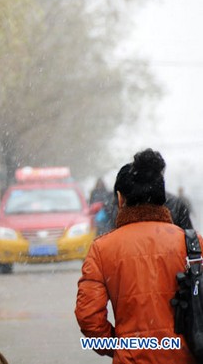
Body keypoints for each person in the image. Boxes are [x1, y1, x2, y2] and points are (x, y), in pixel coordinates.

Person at [75, 148, 199, 363]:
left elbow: (89, 319)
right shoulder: (193, 244)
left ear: (120, 199)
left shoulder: (102, 249)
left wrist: (121, 345)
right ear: (162, 198)